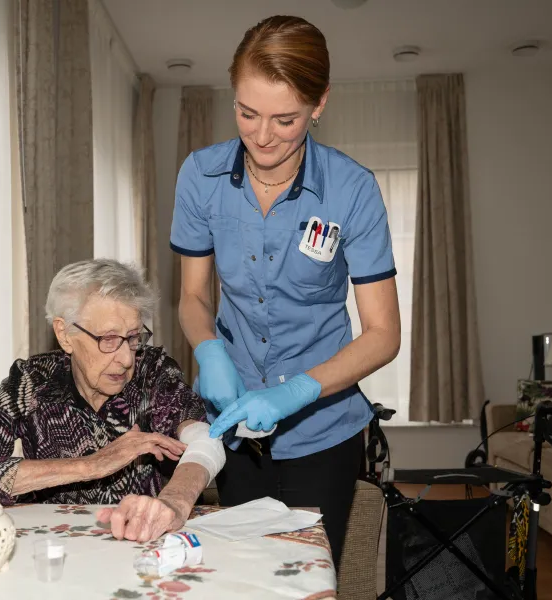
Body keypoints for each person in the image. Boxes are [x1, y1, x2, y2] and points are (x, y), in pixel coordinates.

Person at [170, 15, 401, 566]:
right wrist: (209, 350)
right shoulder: (200, 177)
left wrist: (298, 391)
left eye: (285, 119)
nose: (262, 135)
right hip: (232, 428)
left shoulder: (352, 190)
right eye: (247, 113)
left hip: (324, 431)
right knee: (240, 576)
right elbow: (193, 297)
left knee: (306, 578)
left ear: (319, 104)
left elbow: (384, 334)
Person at [0, 259, 226, 543]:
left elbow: (206, 439)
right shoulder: (33, 382)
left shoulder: (153, 372)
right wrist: (91, 465)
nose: (125, 359)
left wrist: (173, 502)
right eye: (108, 339)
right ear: (64, 334)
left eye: (133, 338)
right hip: (56, 547)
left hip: (144, 544)